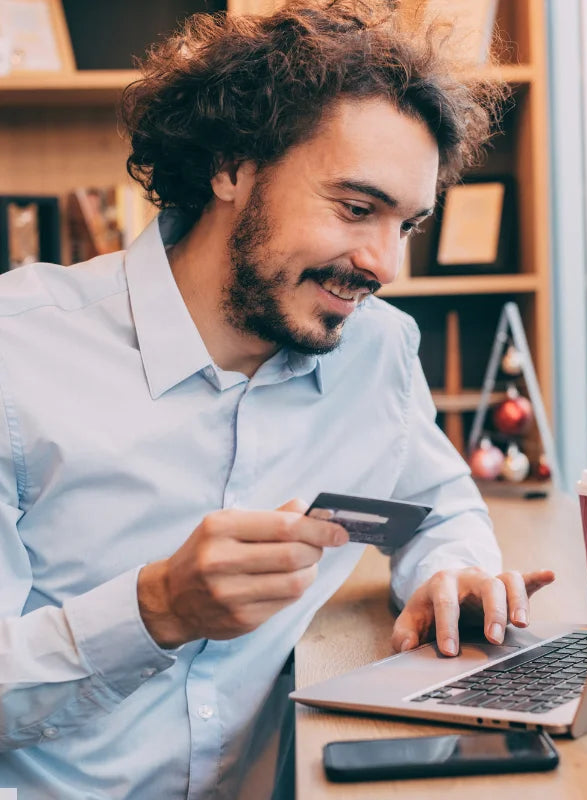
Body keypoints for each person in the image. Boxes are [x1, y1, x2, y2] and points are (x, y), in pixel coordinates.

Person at [0, 2, 554, 797]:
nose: (384, 265)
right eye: (357, 209)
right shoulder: (16, 354)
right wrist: (157, 609)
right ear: (230, 166)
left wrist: (454, 572)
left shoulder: (377, 351)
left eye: (408, 224)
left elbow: (436, 504)